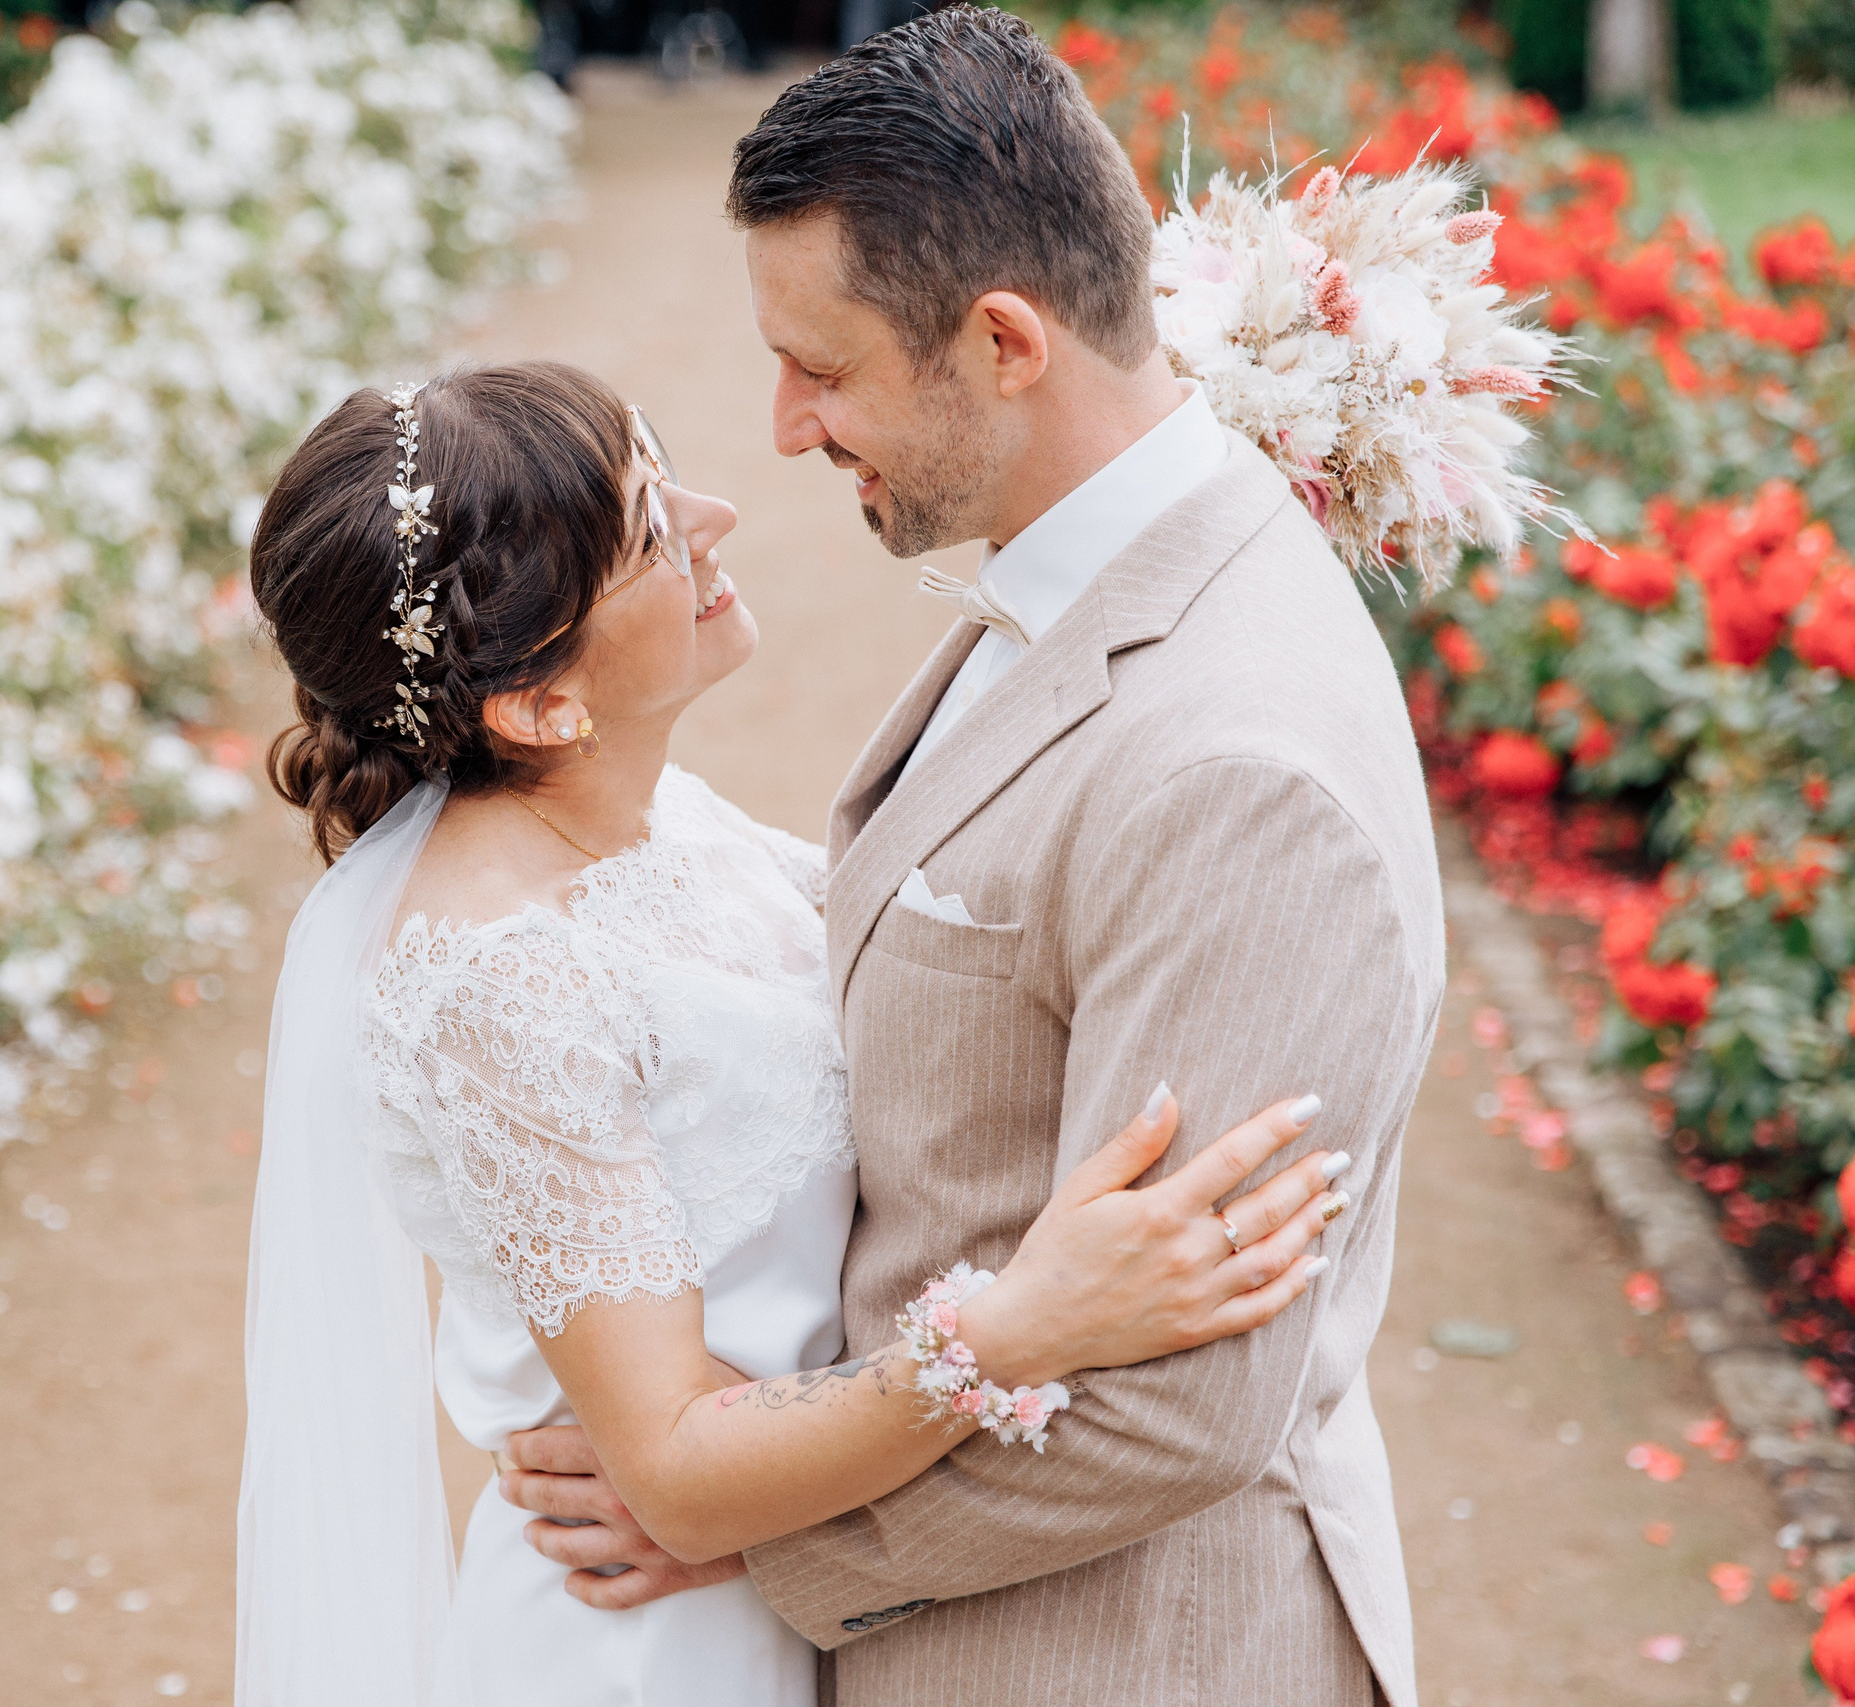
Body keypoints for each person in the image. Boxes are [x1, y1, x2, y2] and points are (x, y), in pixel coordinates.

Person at [492, 11, 1443, 1707]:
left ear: (1004, 342)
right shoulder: (1094, 566)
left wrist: (746, 1530)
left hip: (1117, 1656)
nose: (784, 427)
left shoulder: (1236, 773)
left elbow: (1177, 1411)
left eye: (824, 368)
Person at [234, 360, 1358, 1707]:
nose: (714, 517)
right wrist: (1020, 1328)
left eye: (662, 473)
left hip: (784, 1584)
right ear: (537, 706)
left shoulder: (665, 822)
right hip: (639, 1650)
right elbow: (672, 1470)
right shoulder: (500, 978)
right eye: (651, 533)